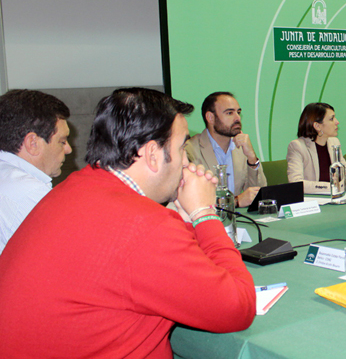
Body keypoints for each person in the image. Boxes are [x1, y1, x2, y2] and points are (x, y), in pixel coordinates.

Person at [0, 88, 255, 358]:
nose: (186, 161)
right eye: (182, 148)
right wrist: (205, 214)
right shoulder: (145, 226)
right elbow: (238, 307)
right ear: (153, 155)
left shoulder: (74, 188)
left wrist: (180, 217)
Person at [0, 90, 72, 255]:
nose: (68, 149)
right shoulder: (28, 191)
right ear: (33, 143)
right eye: (62, 141)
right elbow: (67, 256)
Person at [187, 92, 266, 208]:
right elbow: (192, 200)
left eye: (238, 112)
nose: (237, 118)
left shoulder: (241, 146)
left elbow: (259, 193)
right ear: (210, 117)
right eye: (229, 113)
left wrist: (252, 158)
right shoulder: (190, 150)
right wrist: (235, 201)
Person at [287, 102, 346, 194]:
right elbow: (296, 183)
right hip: (312, 203)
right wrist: (333, 186)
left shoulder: (334, 142)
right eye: (331, 119)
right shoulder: (297, 146)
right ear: (317, 126)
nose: (337, 122)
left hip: (334, 198)